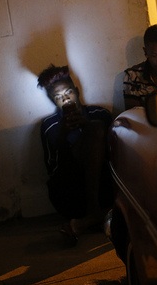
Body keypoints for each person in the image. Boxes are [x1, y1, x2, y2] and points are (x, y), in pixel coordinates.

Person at [37, 64, 113, 245]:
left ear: (77, 91)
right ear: (53, 101)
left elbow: (115, 154)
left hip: (103, 188)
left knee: (96, 127)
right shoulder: (50, 125)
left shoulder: (100, 114)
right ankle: (97, 216)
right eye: (58, 97)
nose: (65, 99)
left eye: (68, 92)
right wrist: (62, 136)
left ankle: (87, 220)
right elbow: (53, 171)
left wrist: (87, 126)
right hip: (70, 193)